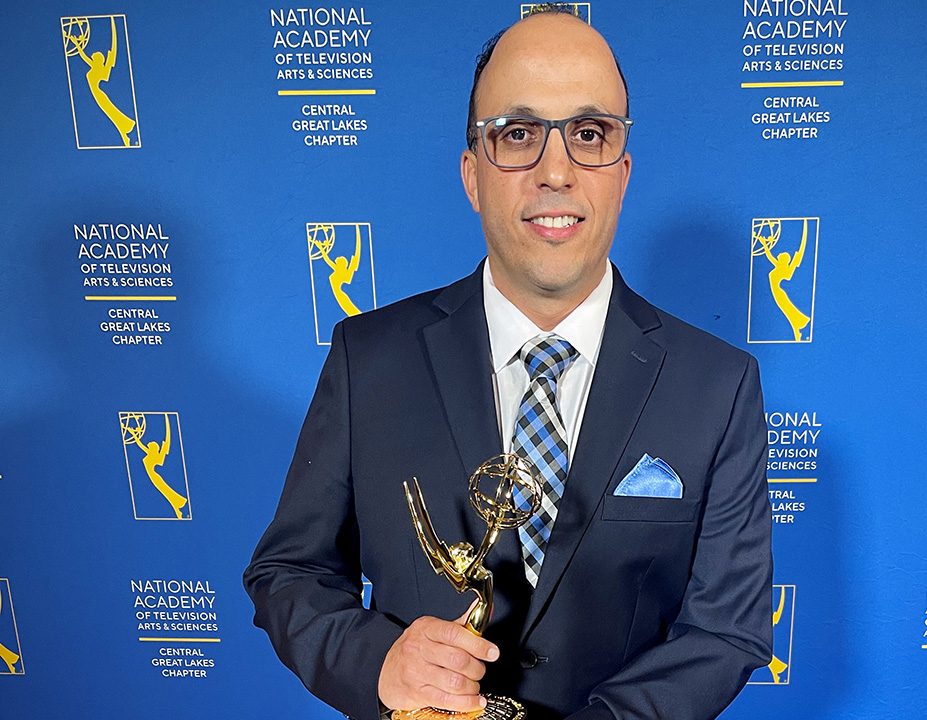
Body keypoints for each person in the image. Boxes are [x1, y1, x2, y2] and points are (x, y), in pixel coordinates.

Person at [244, 8, 772, 719]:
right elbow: (288, 573)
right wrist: (380, 662)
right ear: (472, 173)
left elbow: (725, 631)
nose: (555, 172)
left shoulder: (717, 385)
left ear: (622, 171)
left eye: (589, 135)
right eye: (518, 134)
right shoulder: (369, 359)